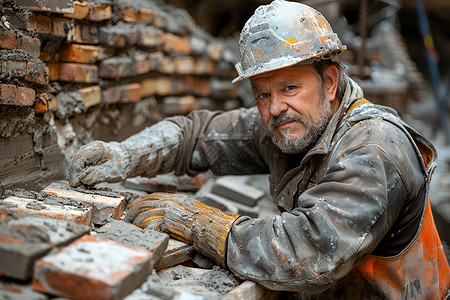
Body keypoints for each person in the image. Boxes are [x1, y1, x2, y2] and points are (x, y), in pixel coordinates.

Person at [68, 0, 450, 298]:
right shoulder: (296, 123)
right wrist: (126, 153)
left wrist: (198, 222)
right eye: (262, 94)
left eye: (289, 88)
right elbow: (197, 133)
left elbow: (309, 253)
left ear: (330, 82)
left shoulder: (374, 148)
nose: (274, 107)